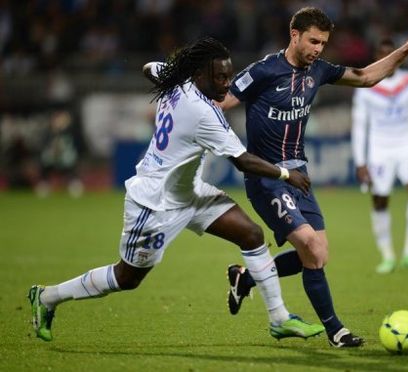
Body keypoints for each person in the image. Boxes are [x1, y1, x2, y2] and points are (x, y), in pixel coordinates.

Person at [28, 37, 325, 342]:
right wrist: (287, 174)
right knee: (126, 278)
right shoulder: (203, 113)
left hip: (190, 193)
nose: (227, 84)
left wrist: (174, 71)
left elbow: (149, 68)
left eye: (228, 75)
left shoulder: (180, 82)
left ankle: (279, 318)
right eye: (219, 77)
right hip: (155, 203)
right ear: (199, 75)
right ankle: (48, 296)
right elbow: (243, 161)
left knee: (251, 235)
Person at [219, 7, 408, 348]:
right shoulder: (263, 71)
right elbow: (221, 102)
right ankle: (336, 330)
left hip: (300, 175)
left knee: (316, 257)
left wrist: (405, 50)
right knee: (311, 244)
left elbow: (365, 76)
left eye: (323, 43)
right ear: (295, 35)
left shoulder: (318, 71)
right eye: (313, 41)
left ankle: (245, 280)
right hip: (268, 175)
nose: (319, 49)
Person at [351, 39, 408, 274]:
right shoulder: (366, 86)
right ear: (377, 59)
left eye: (390, 55)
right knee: (380, 200)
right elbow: (360, 127)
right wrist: (360, 161)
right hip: (380, 150)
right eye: (382, 55)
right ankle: (388, 256)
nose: (387, 60)